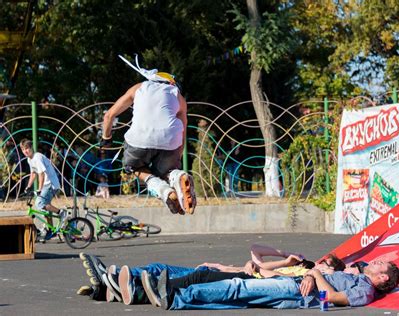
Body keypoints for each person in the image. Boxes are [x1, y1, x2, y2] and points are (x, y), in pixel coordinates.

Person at [77, 244, 345, 305]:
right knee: (161, 267)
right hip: (233, 271)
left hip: (240, 277)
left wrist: (251, 267)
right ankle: (107, 284)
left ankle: (128, 287)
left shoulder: (306, 277)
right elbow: (255, 252)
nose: (323, 263)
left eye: (328, 263)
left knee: (191, 278)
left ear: (332, 270)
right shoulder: (299, 267)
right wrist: (284, 257)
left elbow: (258, 272)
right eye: (323, 259)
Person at [101, 55, 196, 215]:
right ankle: (177, 175)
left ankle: (163, 191)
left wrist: (106, 138)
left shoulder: (139, 88)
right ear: (171, 83)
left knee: (134, 167)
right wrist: (176, 158)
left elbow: (109, 116)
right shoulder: (178, 96)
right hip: (170, 140)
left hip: (139, 139)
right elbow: (182, 131)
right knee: (167, 171)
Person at [144, 259, 399, 310]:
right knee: (239, 299)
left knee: (237, 288)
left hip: (297, 292)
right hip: (295, 284)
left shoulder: (365, 291)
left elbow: (331, 297)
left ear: (384, 278)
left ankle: (174, 292)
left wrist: (313, 274)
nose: (376, 262)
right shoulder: (360, 278)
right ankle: (176, 299)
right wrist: (311, 275)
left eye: (381, 265)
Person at [20, 139, 67, 240]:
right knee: (45, 207)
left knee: (40, 203)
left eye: (27, 148)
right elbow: (33, 174)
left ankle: (62, 213)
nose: (25, 151)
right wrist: (28, 187)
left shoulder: (37, 157)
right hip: (46, 184)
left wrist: (40, 189)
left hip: (51, 184)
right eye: (23, 149)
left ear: (31, 148)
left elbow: (41, 174)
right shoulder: (30, 159)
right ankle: (50, 229)